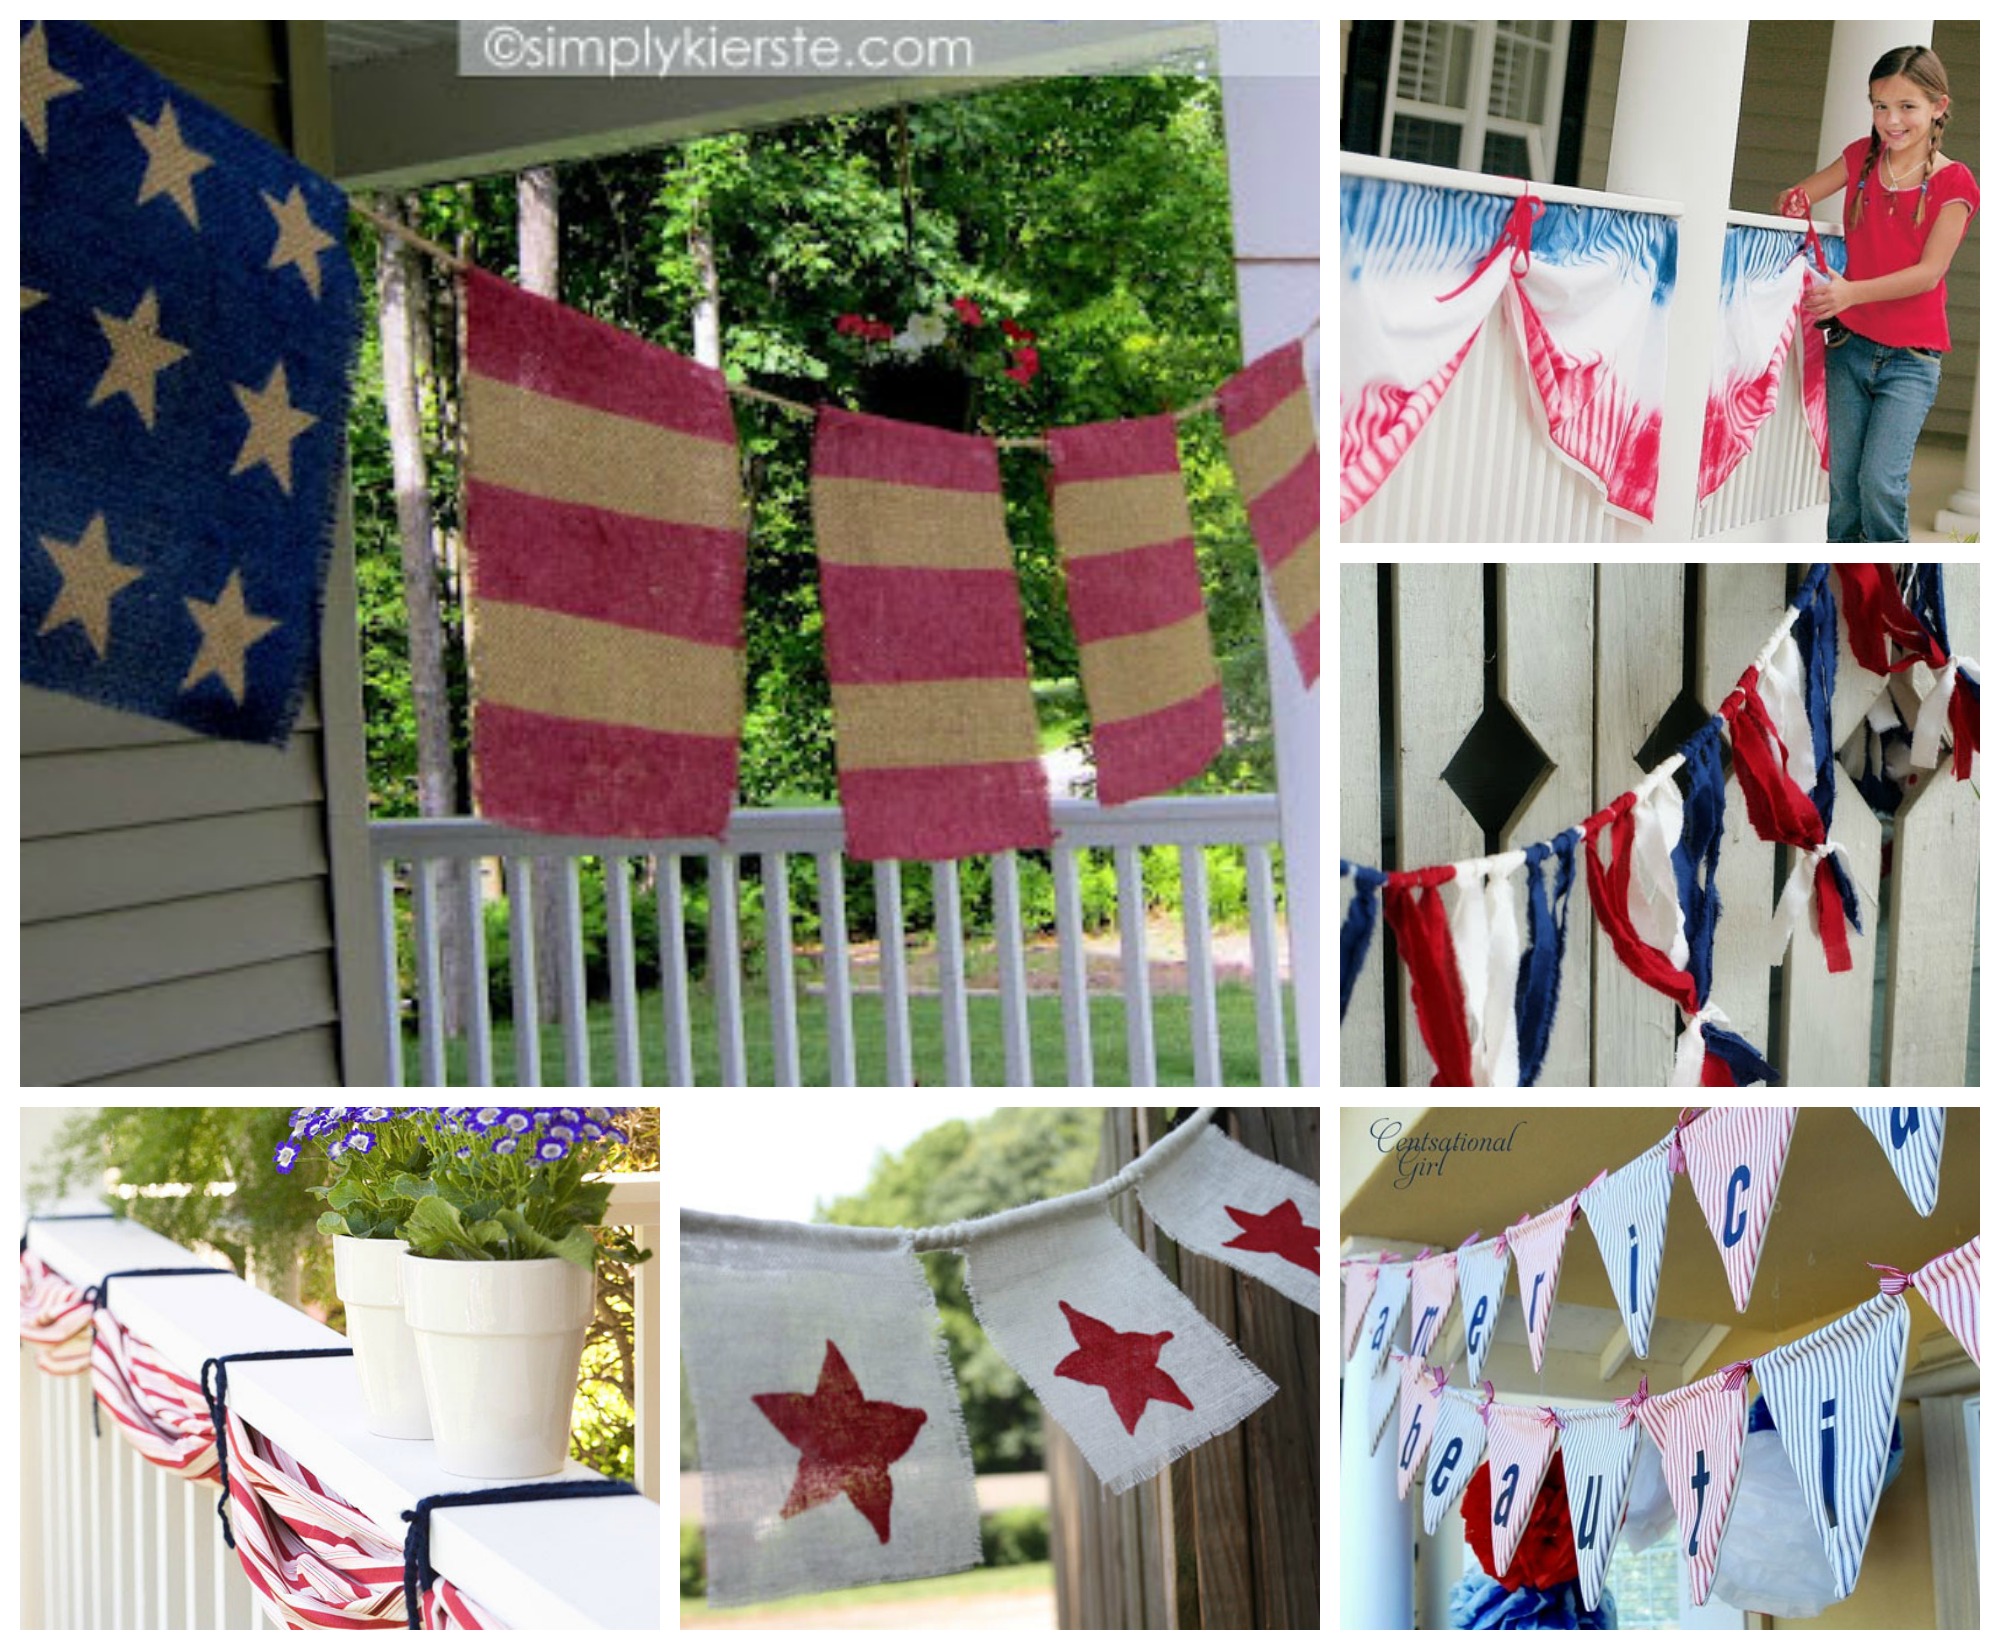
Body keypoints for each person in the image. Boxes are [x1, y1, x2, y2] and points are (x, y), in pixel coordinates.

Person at [1777, 44, 1978, 542]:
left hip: (1911, 361)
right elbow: (1799, 195)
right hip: (1849, 348)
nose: (1891, 120)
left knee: (1880, 483)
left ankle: (1896, 591)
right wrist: (1793, 200)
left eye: (1907, 106)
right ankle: (1846, 595)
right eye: (1879, 105)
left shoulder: (1954, 183)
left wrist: (1850, 293)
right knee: (1845, 489)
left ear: (1938, 106)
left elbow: (1929, 273)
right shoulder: (1860, 159)